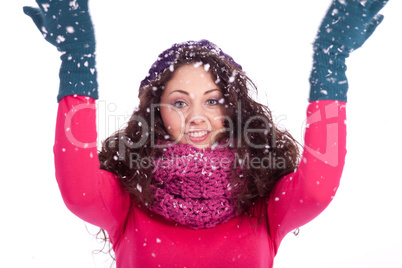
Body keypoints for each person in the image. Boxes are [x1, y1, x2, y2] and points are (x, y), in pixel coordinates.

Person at [23, 0, 388, 267]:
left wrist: (330, 62)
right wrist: (77, 61)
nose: (197, 117)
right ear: (157, 113)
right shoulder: (129, 200)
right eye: (180, 103)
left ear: (232, 110)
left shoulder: (263, 203)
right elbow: (79, 189)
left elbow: (316, 189)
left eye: (212, 101)